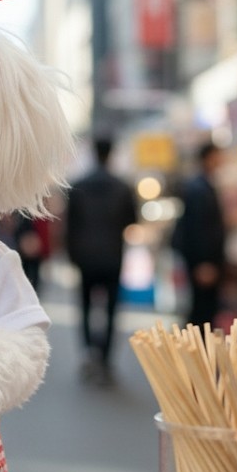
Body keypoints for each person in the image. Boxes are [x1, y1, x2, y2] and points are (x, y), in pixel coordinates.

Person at [64, 137, 137, 383]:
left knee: (85, 306)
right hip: (113, 255)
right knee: (111, 309)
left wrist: (71, 254)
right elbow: (131, 221)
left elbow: (70, 225)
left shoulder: (79, 185)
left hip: (84, 256)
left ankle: (88, 353)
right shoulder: (123, 187)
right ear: (112, 153)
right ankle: (105, 358)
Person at [171, 142, 227, 330]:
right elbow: (197, 228)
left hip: (206, 261)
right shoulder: (199, 188)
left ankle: (198, 353)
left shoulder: (203, 185)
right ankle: (196, 355)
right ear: (208, 158)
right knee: (202, 312)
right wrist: (204, 262)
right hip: (203, 262)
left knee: (204, 311)